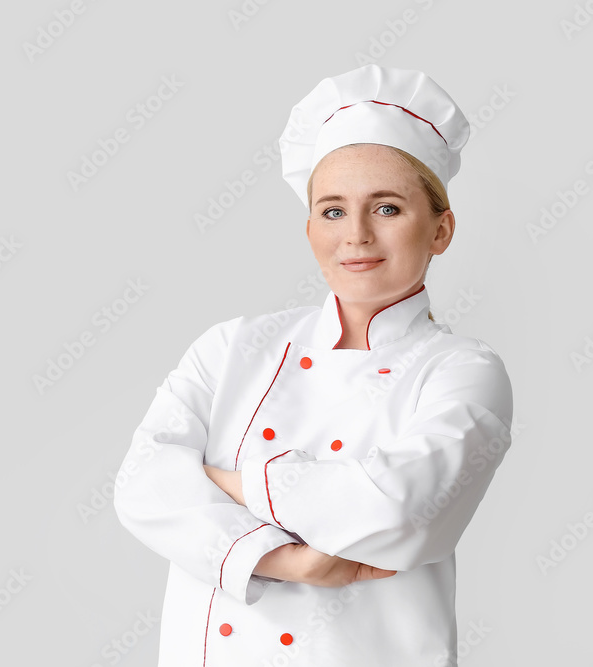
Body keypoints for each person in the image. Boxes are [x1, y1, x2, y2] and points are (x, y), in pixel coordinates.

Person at [113, 64, 515, 667]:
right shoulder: (231, 347)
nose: (355, 235)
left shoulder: (463, 371)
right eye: (332, 211)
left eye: (386, 208)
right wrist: (288, 560)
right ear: (308, 229)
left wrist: (224, 480)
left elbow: (397, 510)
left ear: (441, 229)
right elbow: (142, 486)